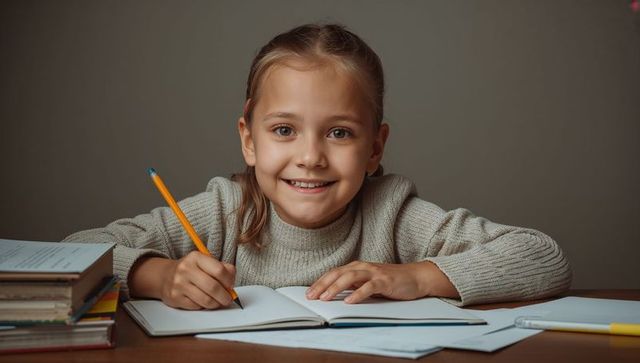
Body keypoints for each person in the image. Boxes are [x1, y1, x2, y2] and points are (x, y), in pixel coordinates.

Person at [63, 23, 572, 310]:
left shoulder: (391, 213)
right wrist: (159, 275)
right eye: (284, 130)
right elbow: (71, 252)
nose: (310, 156)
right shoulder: (224, 210)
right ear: (249, 140)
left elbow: (543, 256)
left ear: (375, 147)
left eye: (340, 132)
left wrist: (416, 276)